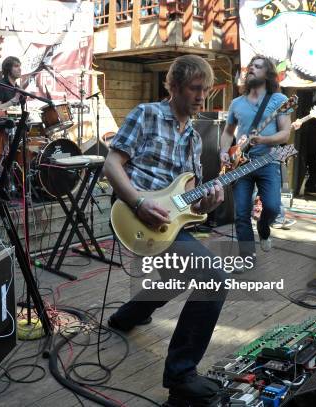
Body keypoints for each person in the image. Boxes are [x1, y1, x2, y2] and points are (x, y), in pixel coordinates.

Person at [104, 55, 227, 406]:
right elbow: (111, 164)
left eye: (205, 89)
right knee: (213, 278)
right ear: (172, 87)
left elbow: (192, 202)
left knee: (179, 274)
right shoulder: (145, 115)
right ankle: (180, 375)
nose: (202, 96)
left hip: (170, 225)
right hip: (135, 215)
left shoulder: (194, 137)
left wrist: (208, 204)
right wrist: (140, 203)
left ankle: (127, 316)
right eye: (194, 88)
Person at [220, 55, 291, 267]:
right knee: (241, 213)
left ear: (268, 74)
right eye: (251, 66)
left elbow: (285, 134)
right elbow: (227, 132)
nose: (251, 69)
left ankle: (263, 228)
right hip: (241, 164)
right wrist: (224, 151)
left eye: (257, 66)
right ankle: (246, 257)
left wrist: (264, 139)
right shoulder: (236, 103)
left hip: (268, 161)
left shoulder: (278, 100)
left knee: (272, 207)